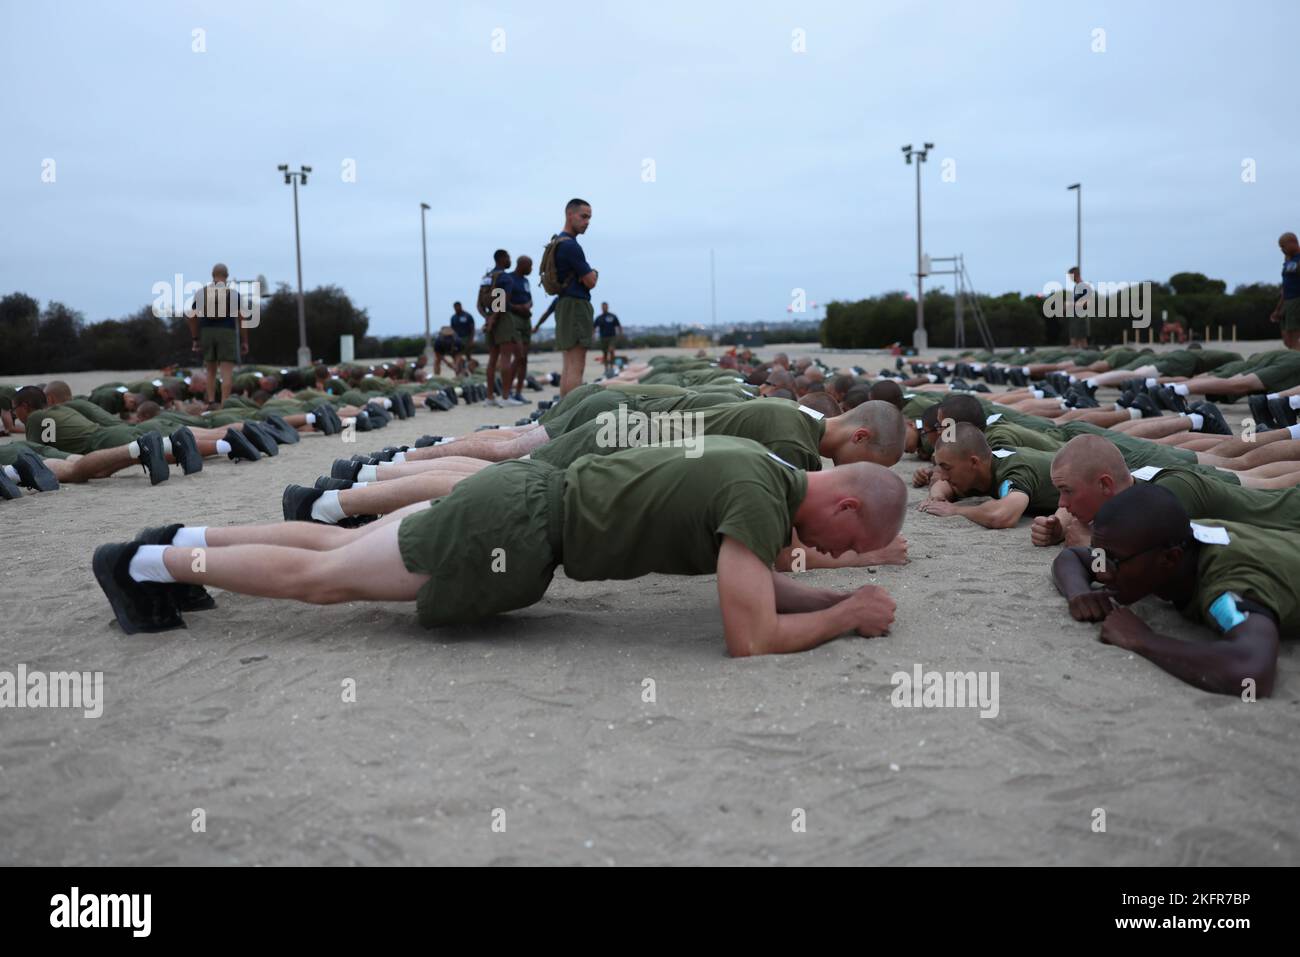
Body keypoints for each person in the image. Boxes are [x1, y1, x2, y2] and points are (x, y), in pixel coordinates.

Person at [93, 437, 907, 655]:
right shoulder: (759, 499)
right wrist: (844, 617)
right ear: (840, 498)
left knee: (328, 544)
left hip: (518, 507)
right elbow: (750, 632)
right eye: (849, 541)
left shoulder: (765, 475)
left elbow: (757, 592)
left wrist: (838, 598)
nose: (839, 552)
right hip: (509, 527)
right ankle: (141, 565)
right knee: (325, 578)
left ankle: (181, 544)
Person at [1051, 483, 1294, 696]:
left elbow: (1250, 672)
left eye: (1111, 562)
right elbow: (1072, 556)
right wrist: (1079, 593)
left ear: (1169, 558)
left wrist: (1143, 639)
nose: (1102, 572)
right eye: (1098, 558)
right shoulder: (1171, 540)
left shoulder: (1226, 586)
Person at [1032, 434, 1300, 548]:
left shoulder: (1167, 495)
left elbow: (1149, 553)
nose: (1062, 502)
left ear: (1105, 485)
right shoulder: (1125, 496)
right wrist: (1059, 526)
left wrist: (1093, 544)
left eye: (1067, 491)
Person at [539, 199, 597, 396]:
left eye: (589, 217)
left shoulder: (558, 242)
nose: (587, 221)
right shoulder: (571, 246)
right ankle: (571, 415)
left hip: (564, 305)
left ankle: (564, 412)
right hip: (576, 305)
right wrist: (594, 274)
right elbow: (590, 281)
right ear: (570, 215)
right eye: (583, 216)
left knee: (568, 366)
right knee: (576, 366)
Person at [186, 263, 249, 406]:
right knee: (226, 372)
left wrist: (195, 338)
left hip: (207, 332)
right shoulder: (232, 294)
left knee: (210, 371)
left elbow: (191, 317)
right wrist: (244, 340)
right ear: (226, 275)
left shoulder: (202, 293)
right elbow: (242, 318)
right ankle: (225, 404)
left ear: (212, 275)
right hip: (227, 332)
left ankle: (211, 402)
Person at [1271, 232, 1300, 351]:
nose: (1282, 250)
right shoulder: (1288, 261)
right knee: (1287, 340)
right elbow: (1285, 287)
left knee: (1294, 339)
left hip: (1297, 300)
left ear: (1293, 242)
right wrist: (1278, 309)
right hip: (1286, 301)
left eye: (1283, 246)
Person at [594, 302, 622, 376]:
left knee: (611, 350)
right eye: (603, 307)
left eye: (605, 306)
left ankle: (612, 367)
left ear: (608, 307)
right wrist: (593, 336)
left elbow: (618, 326)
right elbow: (594, 327)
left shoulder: (613, 316)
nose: (604, 308)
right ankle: (606, 369)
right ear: (601, 308)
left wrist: (620, 334)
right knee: (605, 354)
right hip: (603, 338)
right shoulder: (599, 318)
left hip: (612, 337)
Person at [449, 301, 475, 375]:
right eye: (455, 307)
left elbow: (472, 328)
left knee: (468, 356)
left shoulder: (467, 316)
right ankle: (460, 371)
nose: (456, 308)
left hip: (467, 338)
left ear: (460, 306)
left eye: (458, 306)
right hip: (457, 340)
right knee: (457, 356)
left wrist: (471, 340)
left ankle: (473, 371)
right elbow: (452, 330)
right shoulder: (453, 318)